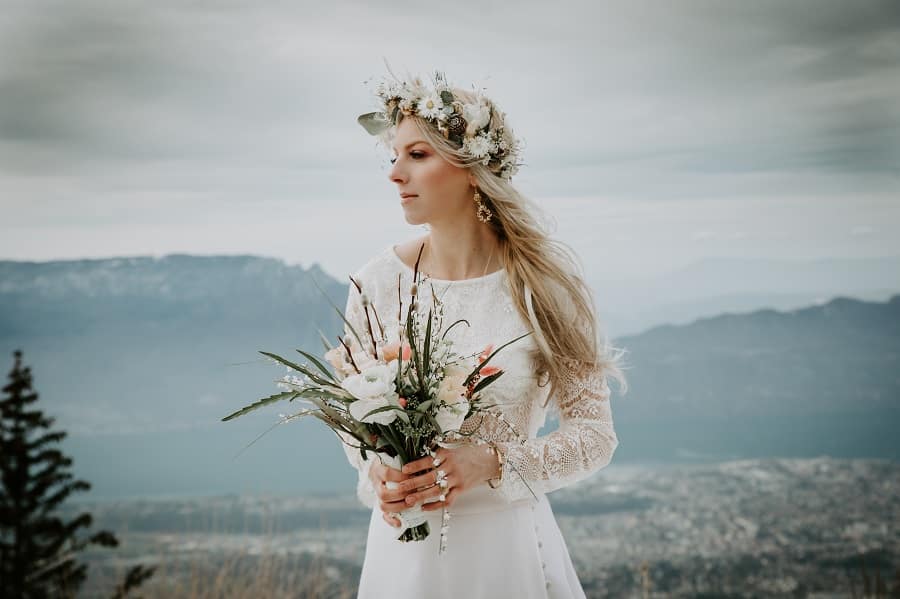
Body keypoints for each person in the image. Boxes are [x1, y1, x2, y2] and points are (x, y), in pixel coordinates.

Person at [342, 70, 627, 598]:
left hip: (506, 550)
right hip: (402, 555)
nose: (395, 174)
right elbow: (355, 426)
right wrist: (378, 475)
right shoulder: (374, 284)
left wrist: (494, 462)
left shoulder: (542, 285)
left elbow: (594, 435)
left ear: (473, 169)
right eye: (393, 156)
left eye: (418, 155)